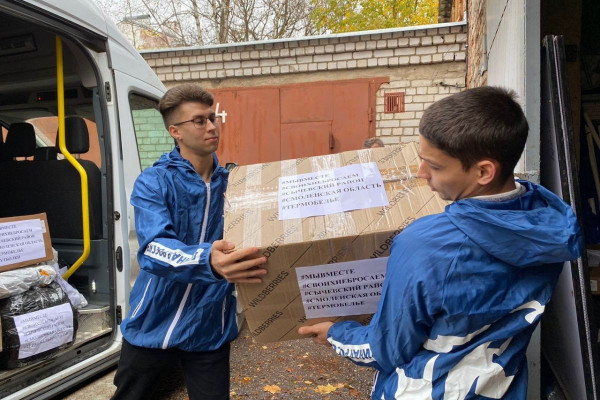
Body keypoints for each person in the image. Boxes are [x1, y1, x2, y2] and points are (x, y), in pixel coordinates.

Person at [298, 86, 582, 399]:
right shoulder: (549, 224)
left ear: (484, 171)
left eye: (434, 166)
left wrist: (336, 334)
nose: (421, 174)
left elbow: (386, 349)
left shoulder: (426, 245)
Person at [112, 83, 267, 400]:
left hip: (209, 325)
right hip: (153, 321)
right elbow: (154, 249)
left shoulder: (236, 184)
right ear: (175, 131)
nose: (211, 127)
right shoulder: (154, 181)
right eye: (199, 120)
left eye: (213, 118)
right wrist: (207, 259)